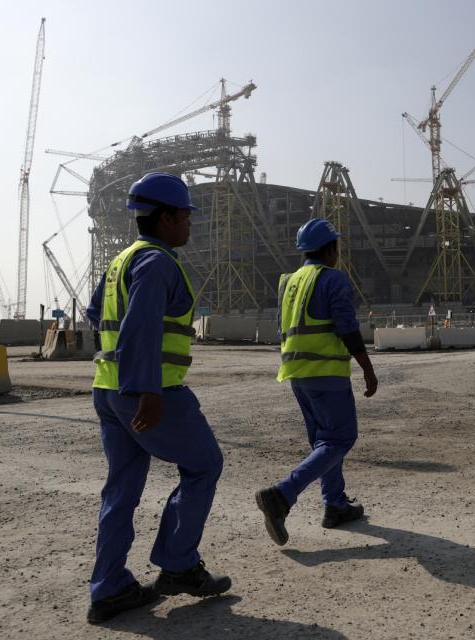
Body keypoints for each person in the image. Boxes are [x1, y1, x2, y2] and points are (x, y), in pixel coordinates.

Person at [86, 172, 230, 624]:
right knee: (204, 464)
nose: (190, 223)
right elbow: (142, 325)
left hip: (107, 390)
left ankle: (109, 589)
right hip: (151, 392)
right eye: (186, 215)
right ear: (166, 218)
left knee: (122, 488)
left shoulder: (121, 260)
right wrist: (147, 390)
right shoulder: (158, 262)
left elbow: (96, 313)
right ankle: (178, 565)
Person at [255, 218, 378, 546]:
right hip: (326, 372)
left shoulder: (289, 282)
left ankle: (335, 504)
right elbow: (347, 327)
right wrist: (367, 367)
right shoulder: (332, 279)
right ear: (330, 249)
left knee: (324, 441)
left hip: (296, 373)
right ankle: (282, 494)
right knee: (340, 439)